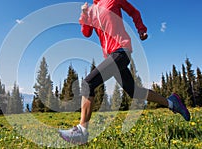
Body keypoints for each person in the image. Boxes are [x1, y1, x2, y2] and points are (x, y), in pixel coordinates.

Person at [58, 0, 190, 145]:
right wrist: (84, 14)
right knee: (134, 92)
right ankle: (172, 103)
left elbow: (134, 12)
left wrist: (141, 29)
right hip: (111, 56)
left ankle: (82, 132)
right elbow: (86, 33)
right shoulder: (91, 10)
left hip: (121, 51)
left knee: (88, 83)